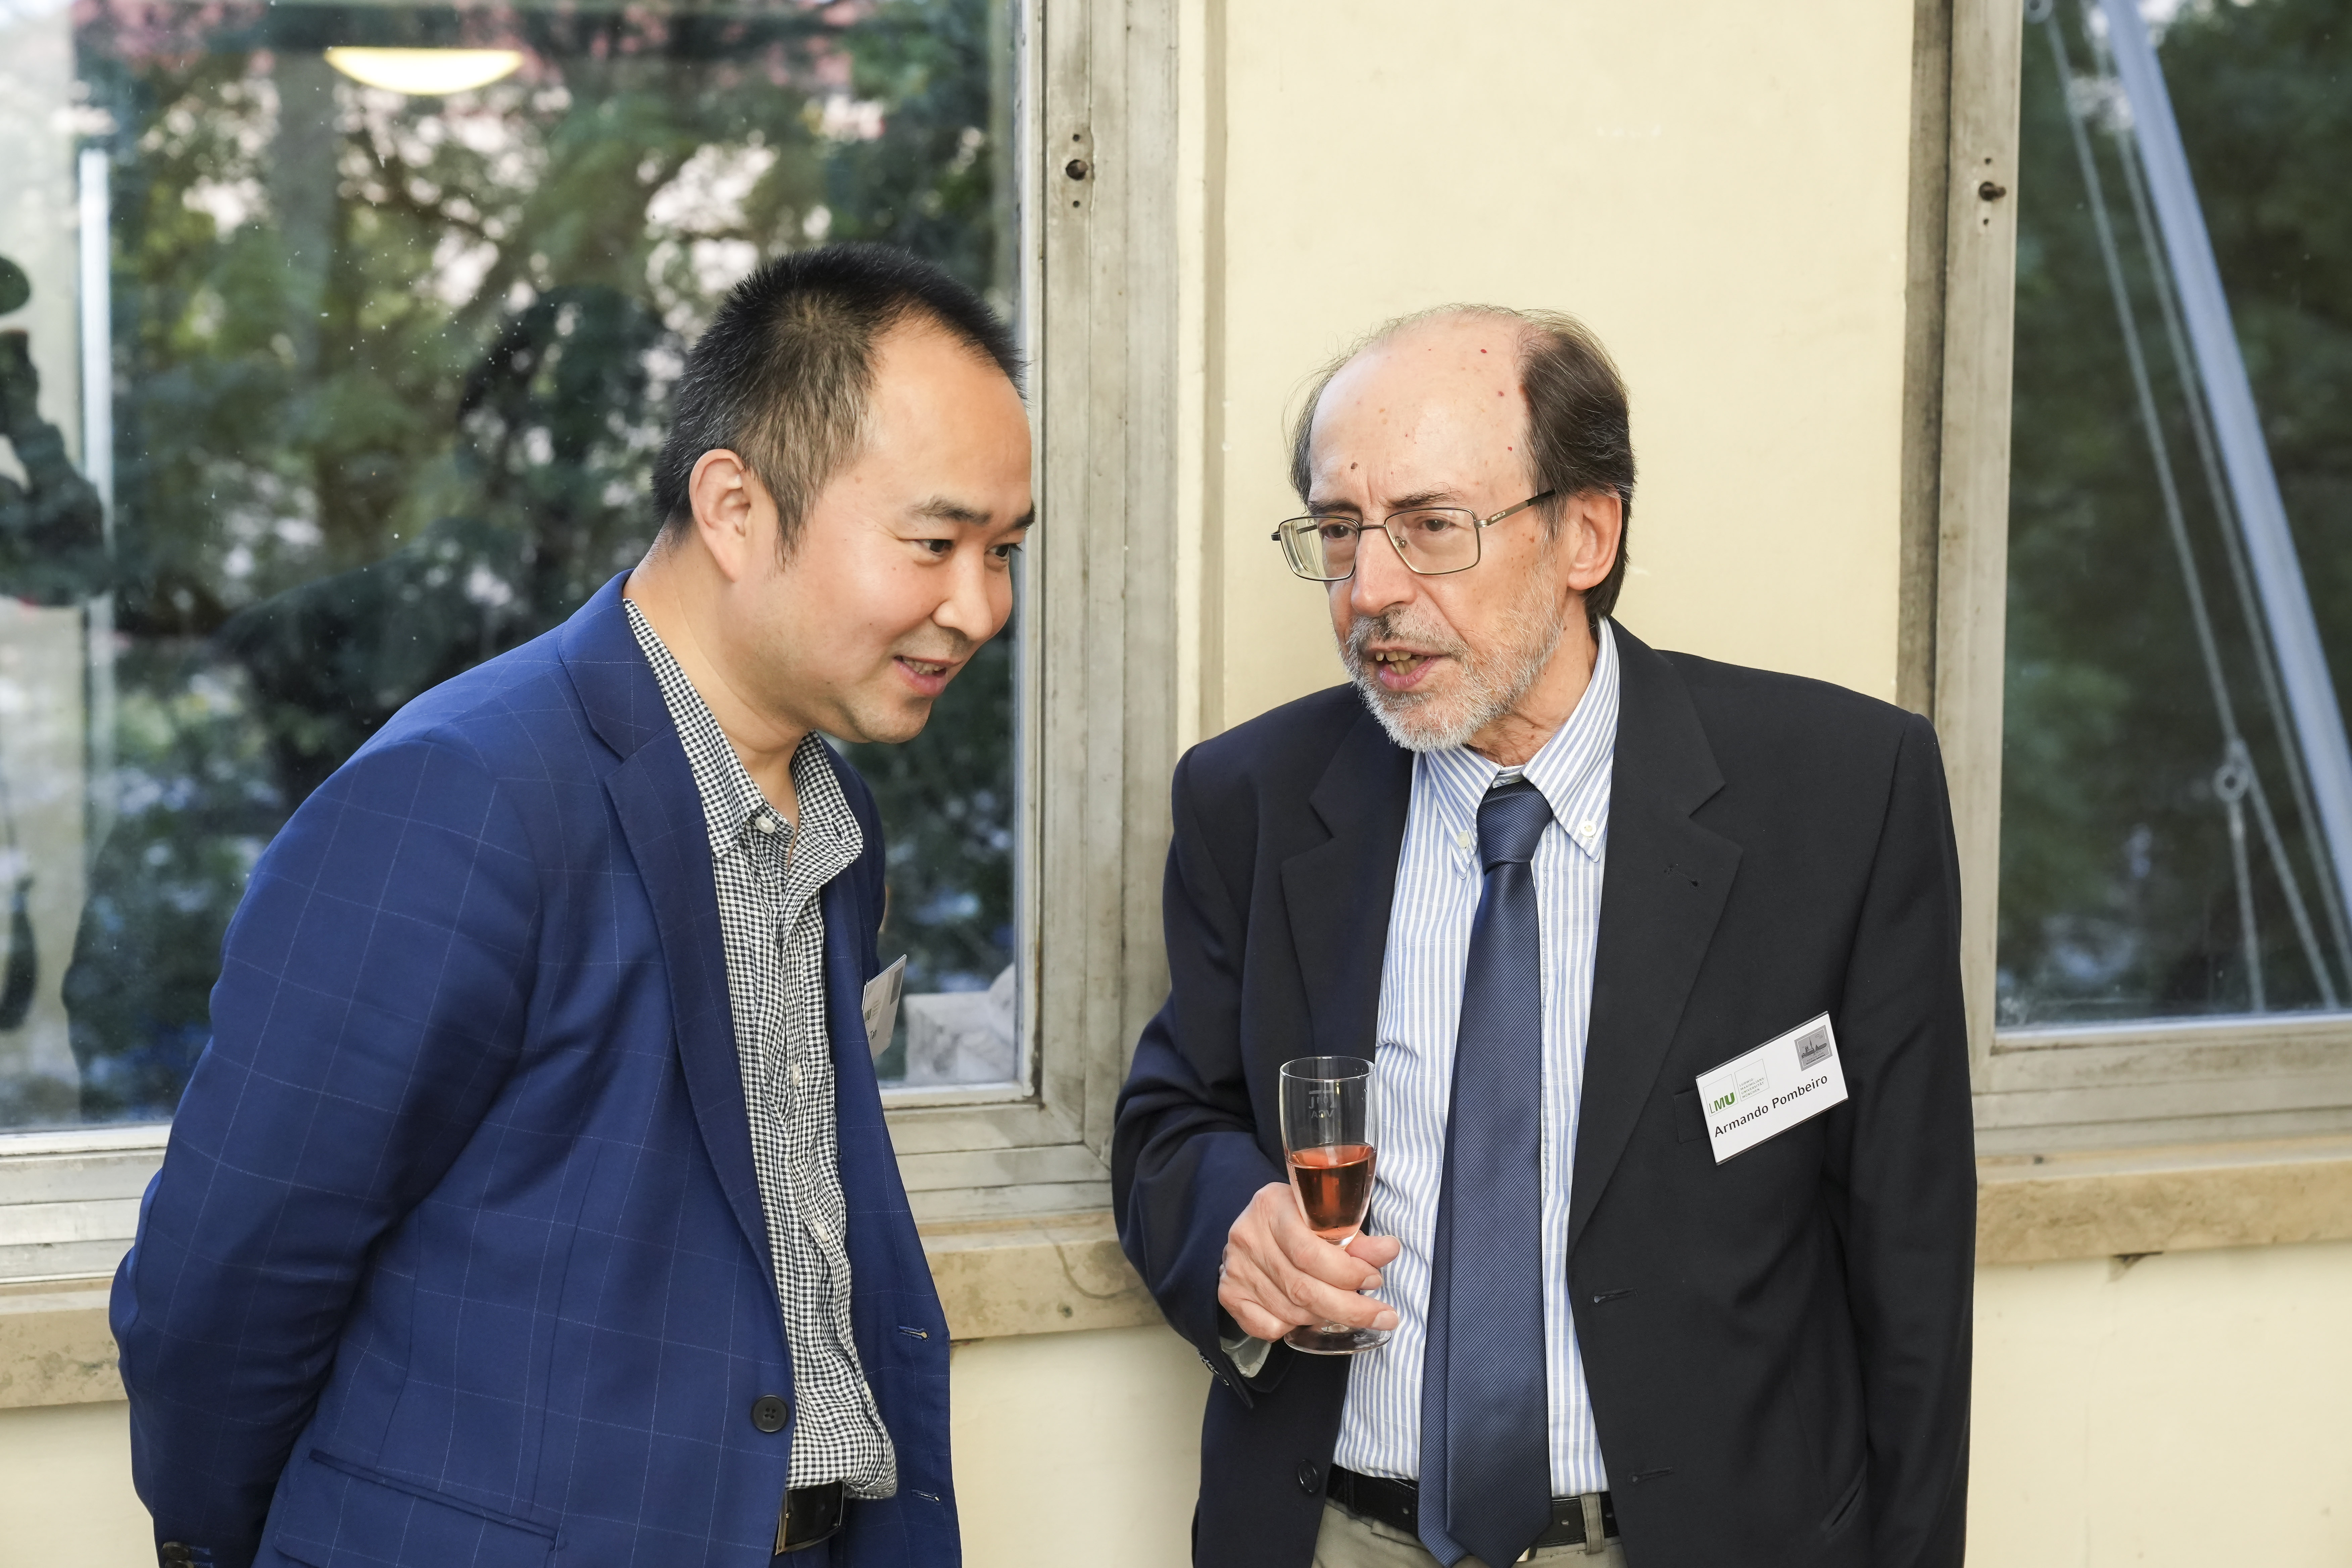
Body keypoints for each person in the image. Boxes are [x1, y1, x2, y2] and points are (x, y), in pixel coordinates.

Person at [109, 243, 1033, 1568]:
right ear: (735, 507)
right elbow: (226, 1280)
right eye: (936, 544)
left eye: (1004, 552)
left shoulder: (835, 812)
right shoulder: (463, 796)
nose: (980, 606)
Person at [1112, 306, 1973, 1568]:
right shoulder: (1250, 799)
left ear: (1585, 533)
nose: (1370, 592)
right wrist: (1232, 1224)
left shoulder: (1841, 793)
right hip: (1338, 1531)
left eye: (1431, 526)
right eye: (1339, 531)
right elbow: (1171, 1122)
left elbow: (1912, 1253)